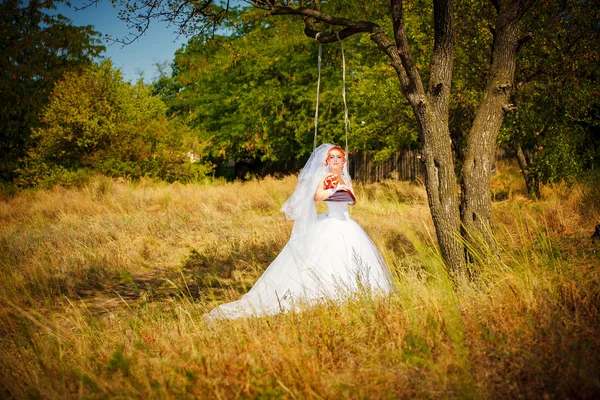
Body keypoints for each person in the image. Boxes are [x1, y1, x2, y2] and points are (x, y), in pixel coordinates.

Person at [205, 144, 392, 319]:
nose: (335, 160)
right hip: (331, 222)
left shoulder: (345, 178)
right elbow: (318, 196)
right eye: (332, 157)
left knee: (351, 257)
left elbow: (352, 200)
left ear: (344, 160)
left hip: (347, 223)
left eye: (338, 157)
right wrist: (334, 191)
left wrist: (347, 193)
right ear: (327, 161)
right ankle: (324, 295)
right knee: (328, 257)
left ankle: (355, 294)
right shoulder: (326, 178)